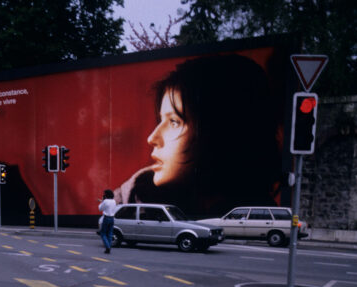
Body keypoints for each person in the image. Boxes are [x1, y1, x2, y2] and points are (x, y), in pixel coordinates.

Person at [114, 54, 281, 220]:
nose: (152, 138)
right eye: (161, 120)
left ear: (218, 134)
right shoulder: (127, 202)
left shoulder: (262, 217)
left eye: (174, 122)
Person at [98, 188, 117, 253]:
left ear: (106, 195)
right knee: (110, 233)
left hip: (106, 218)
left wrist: (102, 201)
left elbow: (100, 208)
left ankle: (107, 247)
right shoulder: (114, 201)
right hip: (112, 218)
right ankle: (109, 246)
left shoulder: (105, 201)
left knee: (103, 233)